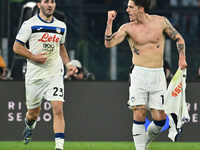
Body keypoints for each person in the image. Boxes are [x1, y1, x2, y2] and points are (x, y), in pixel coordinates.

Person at [104, 0, 187, 150]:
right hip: (139, 74)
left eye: (131, 7)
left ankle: (145, 142)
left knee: (160, 118)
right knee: (139, 112)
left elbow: (179, 38)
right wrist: (109, 22)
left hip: (158, 75)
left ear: (141, 9)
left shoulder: (160, 21)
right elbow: (109, 44)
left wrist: (182, 58)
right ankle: (140, 148)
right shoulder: (127, 28)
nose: (127, 10)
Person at [13, 0, 77, 150]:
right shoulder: (29, 24)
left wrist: (68, 64)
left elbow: (61, 47)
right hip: (35, 76)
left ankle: (59, 147)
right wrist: (33, 57)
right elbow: (16, 47)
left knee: (58, 109)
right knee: (33, 114)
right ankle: (30, 126)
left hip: (54, 74)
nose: (50, 5)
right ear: (39, 5)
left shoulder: (61, 26)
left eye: (53, 2)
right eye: (46, 1)